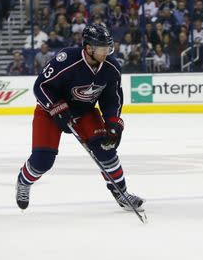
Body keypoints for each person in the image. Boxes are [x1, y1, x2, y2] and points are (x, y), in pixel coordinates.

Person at [15, 24, 145, 212]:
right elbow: (41, 86)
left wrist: (113, 122)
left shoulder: (111, 67)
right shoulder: (67, 59)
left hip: (84, 111)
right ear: (88, 48)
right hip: (50, 111)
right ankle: (23, 181)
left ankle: (122, 194)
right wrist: (56, 107)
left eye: (108, 47)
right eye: (102, 48)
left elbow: (112, 99)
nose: (106, 52)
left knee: (105, 149)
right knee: (43, 160)